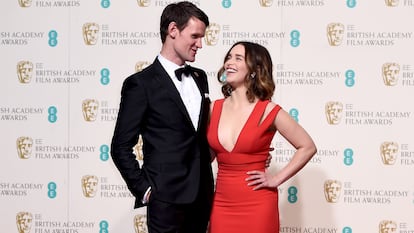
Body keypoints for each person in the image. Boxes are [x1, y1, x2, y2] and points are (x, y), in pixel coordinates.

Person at [110, 2, 214, 233]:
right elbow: (120, 146)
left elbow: (202, 136)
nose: (200, 44)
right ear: (173, 30)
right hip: (165, 200)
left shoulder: (200, 77)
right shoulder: (140, 84)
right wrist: (146, 190)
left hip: (203, 196)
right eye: (195, 36)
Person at [207, 41, 317, 233]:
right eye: (228, 57)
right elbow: (206, 157)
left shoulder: (269, 110)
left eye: (238, 58)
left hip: (258, 204)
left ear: (254, 69)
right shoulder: (212, 109)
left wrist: (276, 179)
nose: (229, 62)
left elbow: (307, 146)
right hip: (221, 204)